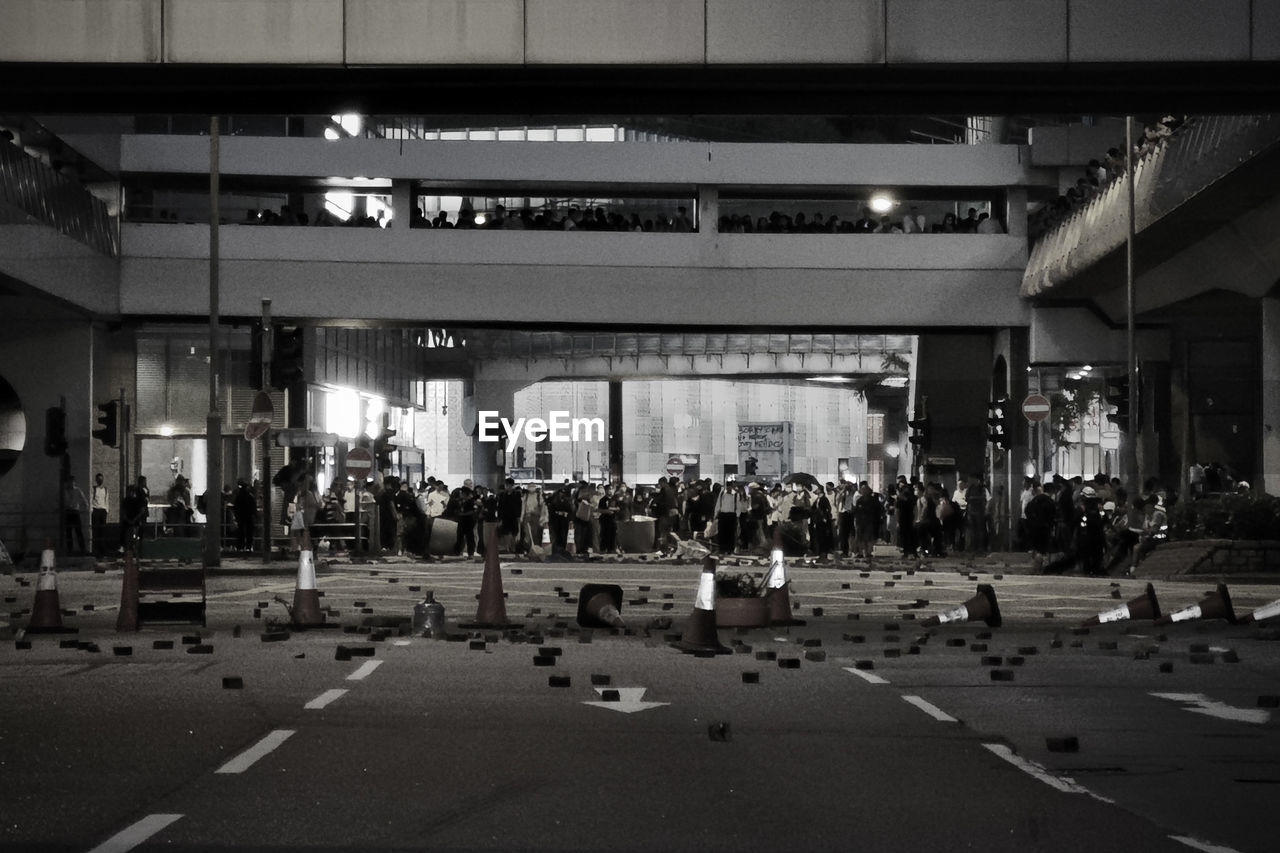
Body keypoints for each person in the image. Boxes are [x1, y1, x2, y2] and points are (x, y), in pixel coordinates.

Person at [63, 476, 90, 555]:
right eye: (69, 482)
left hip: (75, 511)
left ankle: (82, 548)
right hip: (68, 511)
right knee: (68, 531)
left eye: (72, 482)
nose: (70, 483)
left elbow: (84, 500)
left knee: (78, 531)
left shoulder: (77, 490)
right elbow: (60, 500)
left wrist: (84, 509)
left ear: (74, 482)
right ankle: (70, 549)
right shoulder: (64, 491)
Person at [233, 479, 257, 551]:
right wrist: (254, 514)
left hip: (241, 516)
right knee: (249, 532)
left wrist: (236, 515)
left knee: (241, 531)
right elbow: (253, 507)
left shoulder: (239, 496)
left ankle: (241, 546)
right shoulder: (250, 496)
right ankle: (248, 546)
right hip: (248, 516)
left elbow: (236, 507)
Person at [90, 472, 109, 559]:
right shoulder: (94, 489)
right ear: (96, 480)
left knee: (103, 531)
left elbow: (107, 500)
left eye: (101, 479)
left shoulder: (105, 489)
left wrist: (106, 510)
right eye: (98, 479)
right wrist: (92, 510)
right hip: (96, 510)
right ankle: (96, 550)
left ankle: (102, 551)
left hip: (103, 510)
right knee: (95, 531)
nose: (100, 481)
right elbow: (91, 499)